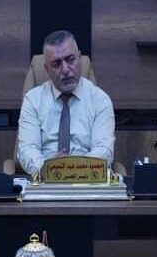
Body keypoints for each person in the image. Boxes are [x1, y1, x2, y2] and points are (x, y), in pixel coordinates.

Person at [16, 29, 115, 176]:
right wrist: (49, 168)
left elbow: (104, 150)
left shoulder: (100, 100)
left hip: (88, 180)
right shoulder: (33, 100)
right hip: (45, 179)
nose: (65, 70)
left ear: (79, 58)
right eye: (56, 64)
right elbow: (27, 149)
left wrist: (72, 168)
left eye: (70, 59)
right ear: (47, 69)